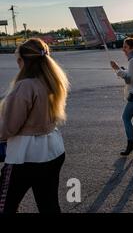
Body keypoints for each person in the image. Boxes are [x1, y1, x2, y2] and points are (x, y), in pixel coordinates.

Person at [0, 38, 69, 213]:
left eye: (18, 60)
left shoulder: (25, 86)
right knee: (49, 205)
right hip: (53, 150)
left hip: (26, 155)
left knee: (4, 206)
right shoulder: (52, 82)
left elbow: (8, 129)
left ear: (24, 61)